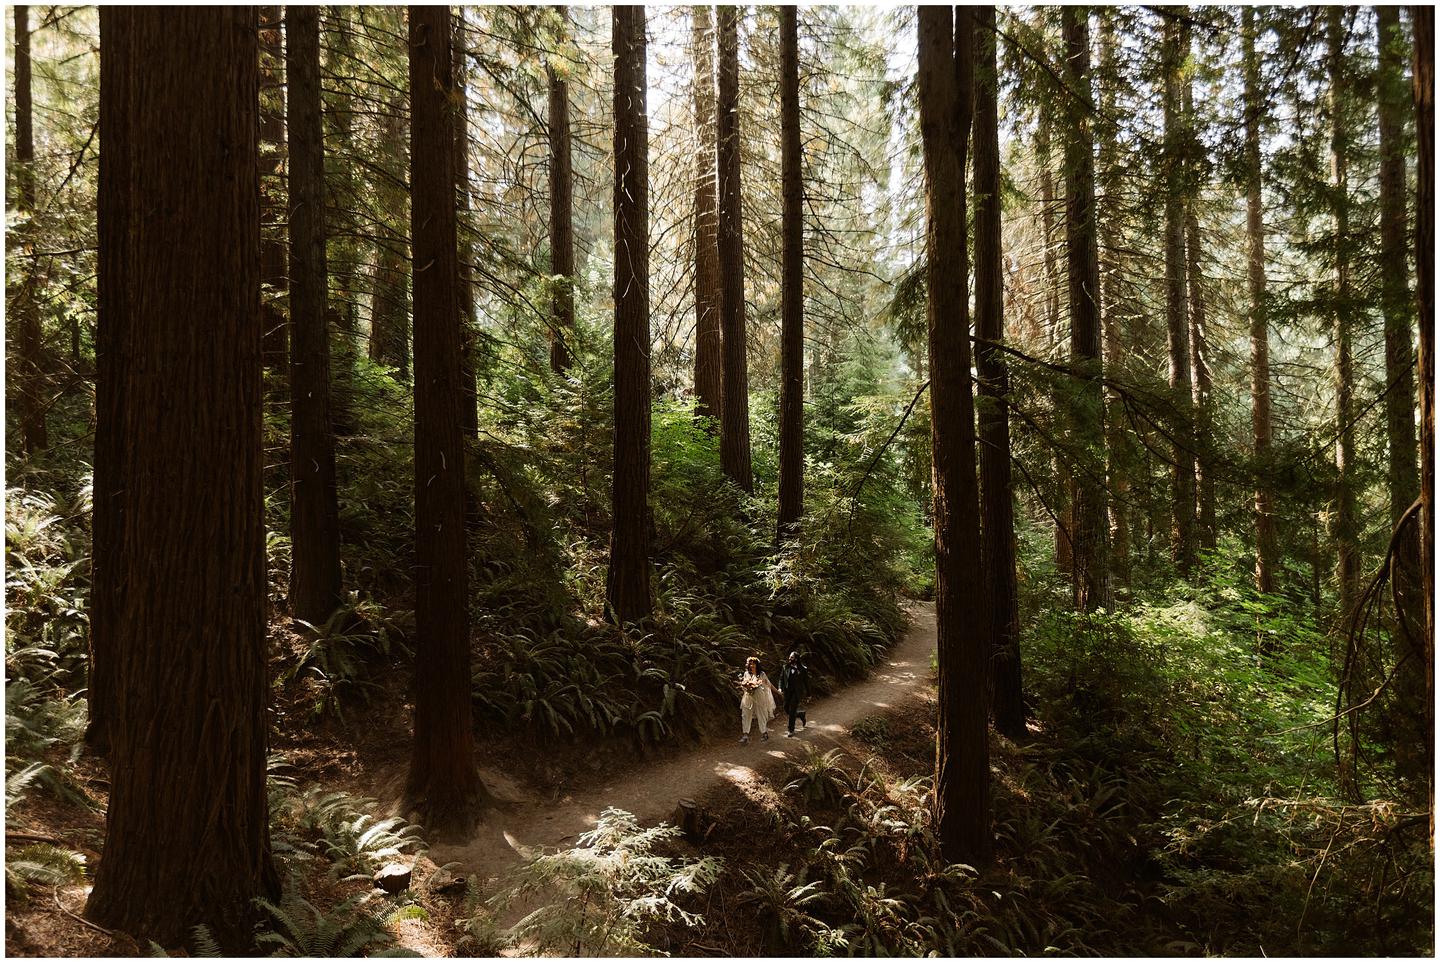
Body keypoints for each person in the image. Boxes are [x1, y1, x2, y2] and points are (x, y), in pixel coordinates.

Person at [736, 656, 782, 743]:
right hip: (748, 697)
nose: (752, 666)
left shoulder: (761, 674)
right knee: (745, 714)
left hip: (759, 697)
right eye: (750, 664)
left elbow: (769, 684)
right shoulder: (746, 674)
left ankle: (764, 733)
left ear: (757, 665)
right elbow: (744, 683)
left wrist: (778, 692)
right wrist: (746, 686)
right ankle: (745, 735)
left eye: (753, 664)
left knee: (761, 714)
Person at [777, 650, 810, 737]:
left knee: (792, 710)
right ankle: (801, 714)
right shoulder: (785, 667)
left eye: (791, 657)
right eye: (789, 657)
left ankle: (791, 730)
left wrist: (809, 694)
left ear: (796, 659)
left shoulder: (803, 669)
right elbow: (781, 679)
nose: (789, 658)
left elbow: (806, 682)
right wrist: (780, 688)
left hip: (797, 693)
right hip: (788, 692)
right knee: (786, 708)